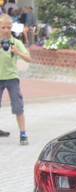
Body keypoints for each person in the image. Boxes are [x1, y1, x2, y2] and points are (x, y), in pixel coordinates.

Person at [0, 13, 31, 145]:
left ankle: (23, 134)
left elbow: (28, 58)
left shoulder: (16, 42)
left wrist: (17, 52)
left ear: (11, 27)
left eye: (8, 27)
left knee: (18, 107)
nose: (6, 30)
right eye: (3, 27)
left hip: (12, 78)